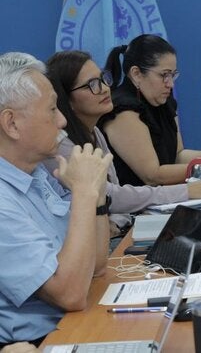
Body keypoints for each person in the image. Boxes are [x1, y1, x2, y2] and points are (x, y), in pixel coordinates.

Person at [44, 51, 201, 236]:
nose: (105, 88)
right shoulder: (60, 144)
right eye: (92, 85)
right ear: (66, 99)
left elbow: (114, 202)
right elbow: (112, 193)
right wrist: (187, 191)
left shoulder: (94, 130)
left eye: (103, 79)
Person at [0, 52, 112, 345]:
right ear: (11, 124)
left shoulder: (35, 173)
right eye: (52, 110)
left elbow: (97, 266)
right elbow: (70, 294)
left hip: (75, 323)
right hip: (42, 340)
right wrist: (84, 194)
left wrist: (97, 199)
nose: (63, 121)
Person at [99, 35, 201, 186]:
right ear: (136, 74)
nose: (171, 84)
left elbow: (178, 156)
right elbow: (153, 175)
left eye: (173, 75)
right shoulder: (123, 110)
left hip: (165, 197)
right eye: (164, 75)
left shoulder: (163, 101)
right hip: (137, 205)